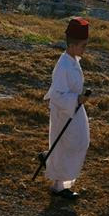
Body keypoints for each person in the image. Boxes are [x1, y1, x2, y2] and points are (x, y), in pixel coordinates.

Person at [43, 17, 92, 199]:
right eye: (83, 46)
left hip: (75, 110)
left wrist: (79, 98)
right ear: (72, 46)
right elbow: (57, 95)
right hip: (65, 112)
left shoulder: (73, 59)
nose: (85, 50)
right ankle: (59, 185)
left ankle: (62, 177)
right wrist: (77, 99)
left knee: (80, 142)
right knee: (66, 145)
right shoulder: (63, 65)